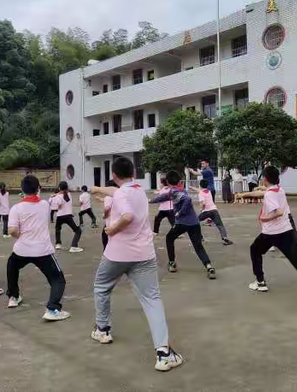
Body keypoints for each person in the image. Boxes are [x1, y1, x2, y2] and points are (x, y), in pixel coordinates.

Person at [90, 157, 183, 372]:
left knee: (101, 287)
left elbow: (127, 215)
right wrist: (99, 189)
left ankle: (102, 329)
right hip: (144, 254)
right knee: (152, 300)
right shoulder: (138, 190)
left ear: (114, 175)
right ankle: (163, 353)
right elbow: (116, 193)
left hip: (117, 254)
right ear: (133, 173)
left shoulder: (122, 193)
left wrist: (112, 229)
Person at [249, 166, 297, 305]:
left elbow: (278, 212)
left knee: (254, 250)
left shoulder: (269, 194)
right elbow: (264, 193)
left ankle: (260, 282)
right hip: (286, 232)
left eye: (263, 177)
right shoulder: (280, 190)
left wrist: (264, 218)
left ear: (266, 179)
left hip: (271, 233)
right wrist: (246, 194)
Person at [6, 175, 70, 322]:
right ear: (38, 189)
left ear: (22, 190)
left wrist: (20, 235)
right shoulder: (45, 205)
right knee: (58, 279)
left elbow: (12, 230)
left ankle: (14, 297)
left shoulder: (16, 208)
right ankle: (52, 309)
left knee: (12, 266)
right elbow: (50, 202)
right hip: (42, 251)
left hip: (22, 250)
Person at [151, 170, 216, 279]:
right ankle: (209, 267)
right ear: (179, 181)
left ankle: (172, 263)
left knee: (169, 238)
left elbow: (187, 200)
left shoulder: (175, 192)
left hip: (183, 223)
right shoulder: (180, 189)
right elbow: (165, 197)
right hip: (194, 222)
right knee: (198, 246)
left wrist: (180, 212)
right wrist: (150, 201)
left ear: (168, 181)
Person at [191, 179, 233, 245]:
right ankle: (225, 237)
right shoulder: (209, 191)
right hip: (214, 210)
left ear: (200, 185)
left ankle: (200, 237)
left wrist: (201, 209)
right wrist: (192, 188)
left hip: (206, 212)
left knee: (194, 222)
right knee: (220, 225)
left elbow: (203, 203)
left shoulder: (201, 194)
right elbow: (200, 191)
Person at [55, 181, 83, 253]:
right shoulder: (69, 195)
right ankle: (73, 246)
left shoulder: (58, 196)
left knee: (57, 229)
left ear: (59, 188)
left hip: (59, 216)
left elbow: (59, 205)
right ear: (67, 188)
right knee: (78, 230)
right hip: (68, 216)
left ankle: (58, 244)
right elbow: (64, 193)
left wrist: (55, 196)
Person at [96, 180, 119, 250]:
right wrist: (100, 199)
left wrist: (105, 215)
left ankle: (106, 254)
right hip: (118, 222)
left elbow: (107, 208)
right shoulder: (119, 196)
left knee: (105, 239)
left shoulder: (108, 197)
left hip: (109, 223)